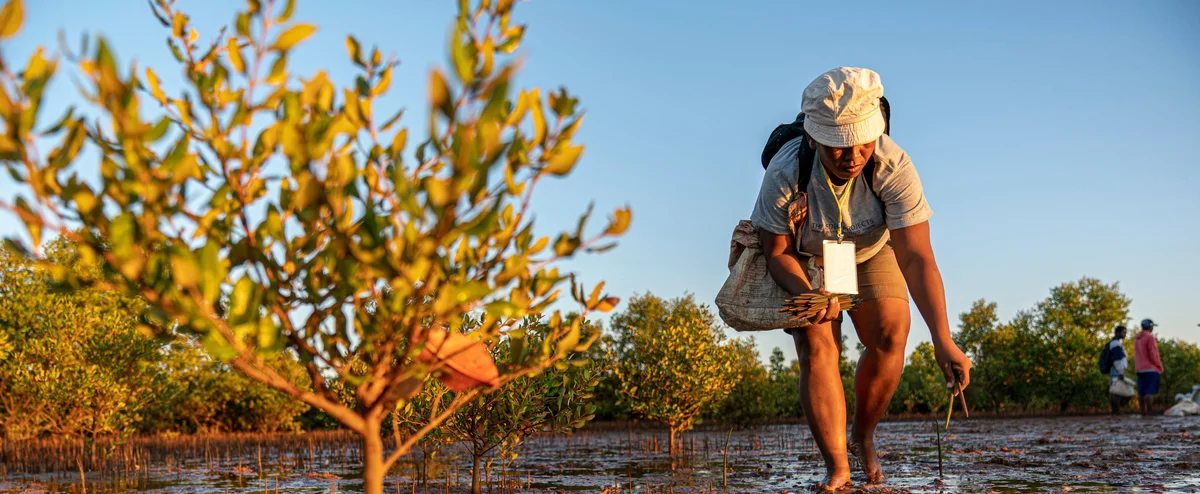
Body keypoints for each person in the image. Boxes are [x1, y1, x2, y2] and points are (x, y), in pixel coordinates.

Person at [751, 67, 972, 490]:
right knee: (818, 345)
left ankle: (863, 436)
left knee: (892, 332)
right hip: (807, 258)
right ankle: (838, 468)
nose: (853, 156)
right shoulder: (784, 172)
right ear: (814, 138)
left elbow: (918, 257)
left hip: (870, 249)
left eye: (863, 143)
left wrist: (943, 340)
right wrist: (811, 294)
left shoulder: (892, 164)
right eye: (838, 147)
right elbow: (776, 251)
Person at [1134, 318, 1164, 415]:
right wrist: (1159, 365)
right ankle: (1150, 412)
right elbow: (1153, 353)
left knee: (1141, 393)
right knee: (1149, 392)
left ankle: (1143, 412)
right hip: (1151, 368)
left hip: (1139, 368)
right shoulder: (1150, 338)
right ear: (1150, 327)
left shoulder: (1137, 339)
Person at [1107, 325, 1130, 414]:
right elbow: (1117, 359)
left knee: (1115, 389)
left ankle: (1115, 410)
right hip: (1116, 369)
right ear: (1118, 333)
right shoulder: (1115, 344)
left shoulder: (1115, 343)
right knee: (1115, 390)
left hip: (1116, 369)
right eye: (1123, 332)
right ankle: (1115, 411)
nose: (1125, 334)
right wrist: (1120, 371)